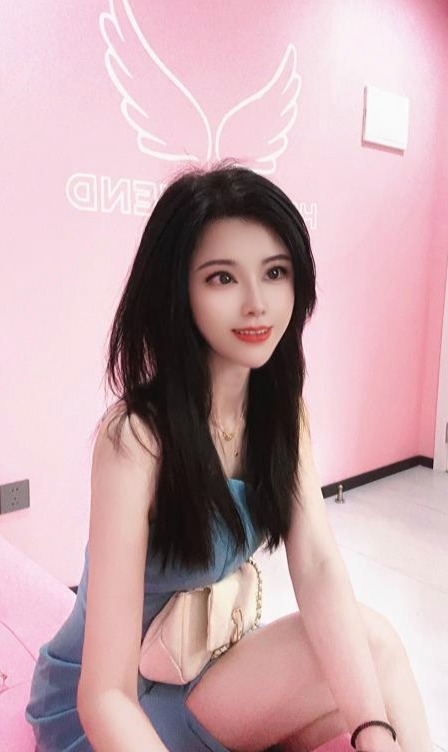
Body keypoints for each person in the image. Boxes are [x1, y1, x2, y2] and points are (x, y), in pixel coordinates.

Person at [25, 162, 433, 752]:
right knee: (371, 648)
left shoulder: (282, 415)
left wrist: (372, 730)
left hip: (207, 663)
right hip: (117, 702)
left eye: (275, 272)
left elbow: (318, 565)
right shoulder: (136, 438)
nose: (257, 303)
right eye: (222, 278)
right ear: (178, 291)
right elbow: (105, 694)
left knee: (379, 654)